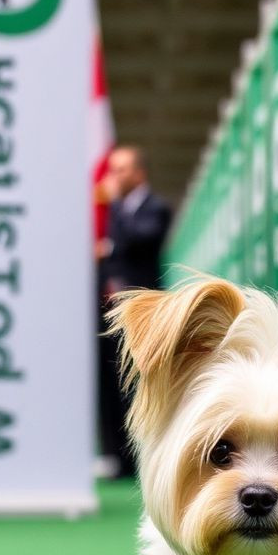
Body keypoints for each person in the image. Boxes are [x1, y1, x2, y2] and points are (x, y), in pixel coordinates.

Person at [97, 146, 172, 477]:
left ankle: (141, 456)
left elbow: (141, 240)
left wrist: (111, 240)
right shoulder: (118, 211)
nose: (115, 177)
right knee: (111, 384)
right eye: (113, 170)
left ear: (139, 173)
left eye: (122, 169)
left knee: (137, 385)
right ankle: (117, 457)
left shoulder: (155, 207)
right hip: (112, 310)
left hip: (142, 315)